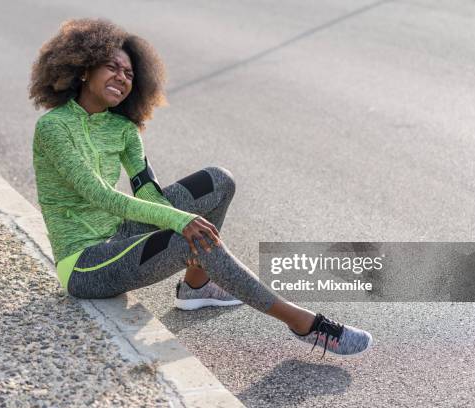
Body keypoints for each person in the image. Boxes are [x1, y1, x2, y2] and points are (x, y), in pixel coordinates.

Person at [29, 18, 373, 357]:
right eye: (112, 67)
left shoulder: (123, 130)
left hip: (119, 238)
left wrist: (179, 214)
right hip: (84, 265)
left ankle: (196, 286)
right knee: (186, 235)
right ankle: (303, 322)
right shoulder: (54, 127)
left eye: (130, 74)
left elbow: (148, 194)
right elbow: (99, 195)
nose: (122, 77)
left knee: (217, 180)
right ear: (84, 69)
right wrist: (181, 221)